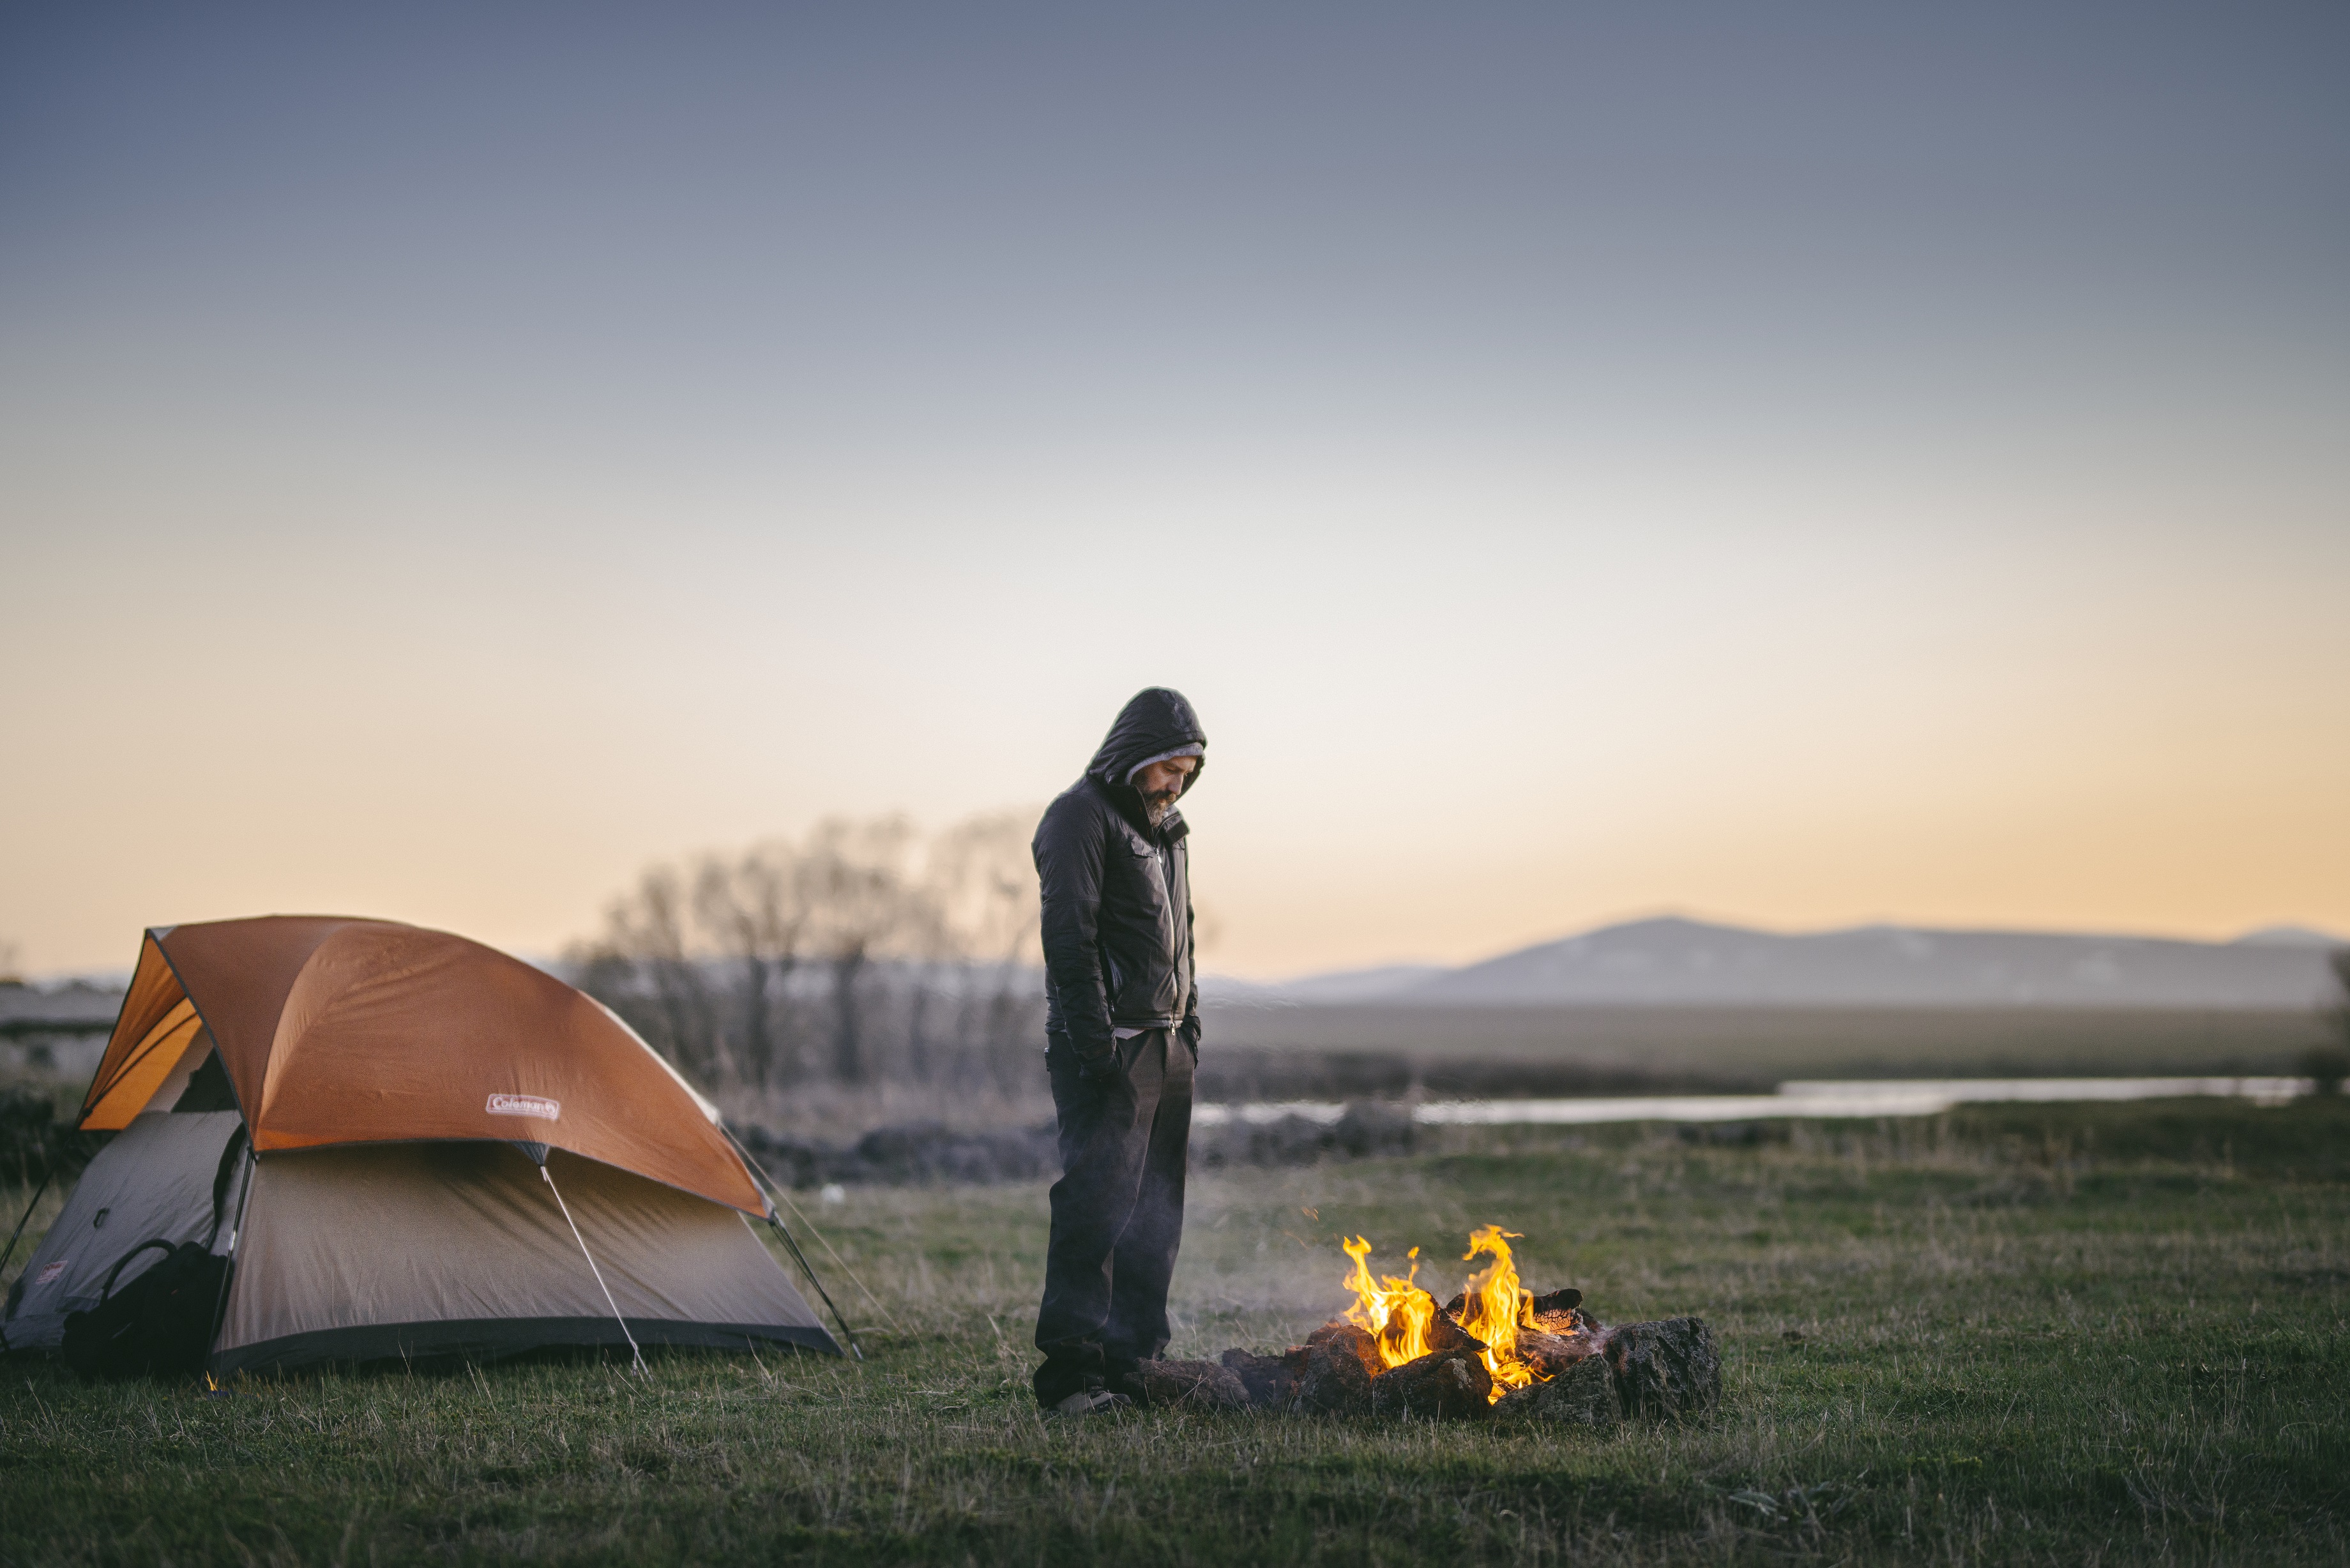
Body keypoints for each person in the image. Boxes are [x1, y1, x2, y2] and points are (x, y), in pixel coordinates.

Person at [1029, 686, 1207, 1415]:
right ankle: (1071, 1380)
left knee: (1156, 1216)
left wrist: (1188, 1027)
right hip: (1109, 1048)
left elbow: (1181, 935)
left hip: (1167, 1044)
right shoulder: (1078, 815)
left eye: (1188, 773)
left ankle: (1137, 1365)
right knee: (1096, 1210)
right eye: (1169, 768)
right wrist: (1099, 1048)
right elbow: (1069, 941)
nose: (1176, 784)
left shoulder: (1170, 829)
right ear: (1135, 754)